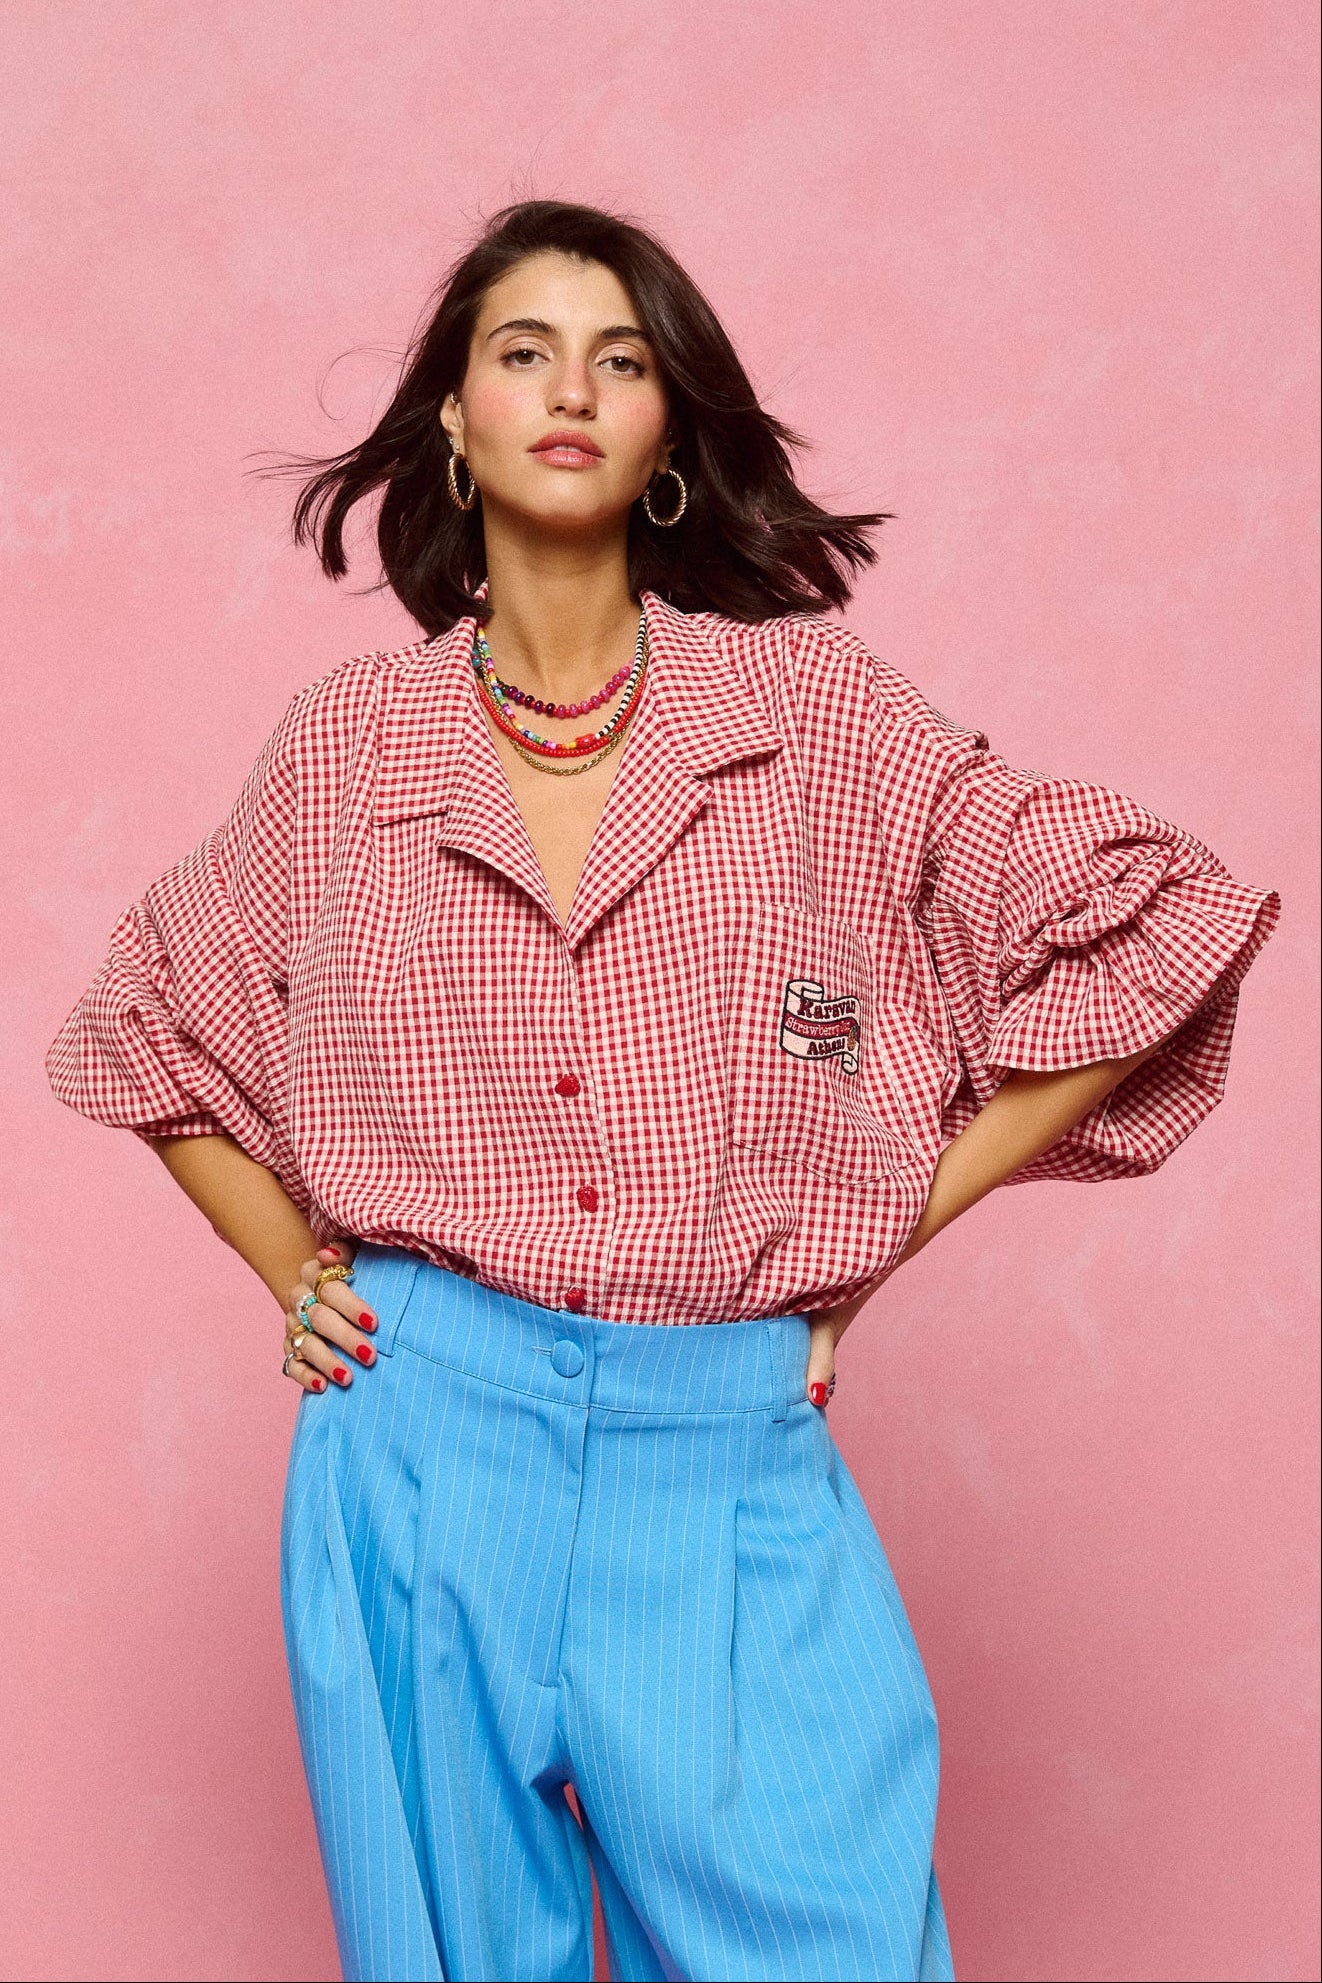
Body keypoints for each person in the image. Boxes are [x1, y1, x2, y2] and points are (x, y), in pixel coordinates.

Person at [46, 200, 1281, 1983]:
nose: (571, 390)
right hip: (415, 1448)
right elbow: (148, 1021)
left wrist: (879, 1227)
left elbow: (1152, 915)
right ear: (453, 421)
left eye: (618, 361)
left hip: (725, 1451)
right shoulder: (348, 747)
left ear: (667, 434)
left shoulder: (812, 717)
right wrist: (291, 1271)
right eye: (523, 353)